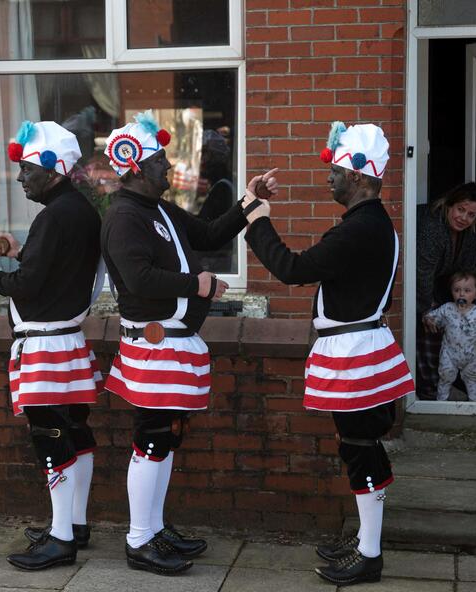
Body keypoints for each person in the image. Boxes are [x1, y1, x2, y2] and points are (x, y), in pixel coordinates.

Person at [100, 110, 277, 575]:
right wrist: (195, 285)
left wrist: (247, 201)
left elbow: (209, 232)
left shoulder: (157, 209)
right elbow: (138, 278)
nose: (167, 166)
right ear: (134, 167)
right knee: (151, 441)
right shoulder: (123, 216)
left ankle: (154, 528)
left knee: (164, 440)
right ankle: (139, 539)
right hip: (153, 346)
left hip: (172, 346)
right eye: (159, 159)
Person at [242, 121, 415, 586]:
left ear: (359, 176)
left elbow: (291, 269)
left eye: (336, 170)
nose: (329, 177)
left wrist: (256, 218)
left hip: (356, 352)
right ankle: (365, 542)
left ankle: (370, 555)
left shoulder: (359, 231)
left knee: (361, 450)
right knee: (358, 446)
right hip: (360, 347)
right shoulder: (372, 225)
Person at [0, 120, 103, 571]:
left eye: (26, 169)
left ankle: (61, 538)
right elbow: (52, 269)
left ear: (54, 169)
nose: (20, 178)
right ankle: (74, 524)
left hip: (45, 346)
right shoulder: (79, 211)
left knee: (51, 436)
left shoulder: (53, 216)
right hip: (69, 340)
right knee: (75, 431)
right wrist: (20, 252)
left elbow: (29, 283)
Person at [416, 183, 476, 400]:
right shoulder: (433, 227)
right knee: (432, 326)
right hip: (416, 281)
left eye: (471, 214)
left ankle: (448, 383)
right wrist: (425, 310)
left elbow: (466, 272)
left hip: (439, 283)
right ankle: (428, 388)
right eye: (460, 209)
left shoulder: (468, 233)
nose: (464, 218)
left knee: (461, 322)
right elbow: (423, 273)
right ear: (449, 205)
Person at [423, 270, 476, 402]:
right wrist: (429, 319)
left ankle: (474, 404)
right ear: (452, 292)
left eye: (467, 291)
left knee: (471, 379)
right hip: (449, 353)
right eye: (457, 290)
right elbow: (432, 316)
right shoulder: (447, 308)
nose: (461, 294)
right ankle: (441, 404)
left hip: (470, 355)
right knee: (445, 378)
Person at [195, 130, 236, 272]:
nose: (201, 162)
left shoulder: (222, 189)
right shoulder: (219, 187)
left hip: (218, 261)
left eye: (204, 156)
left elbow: (208, 230)